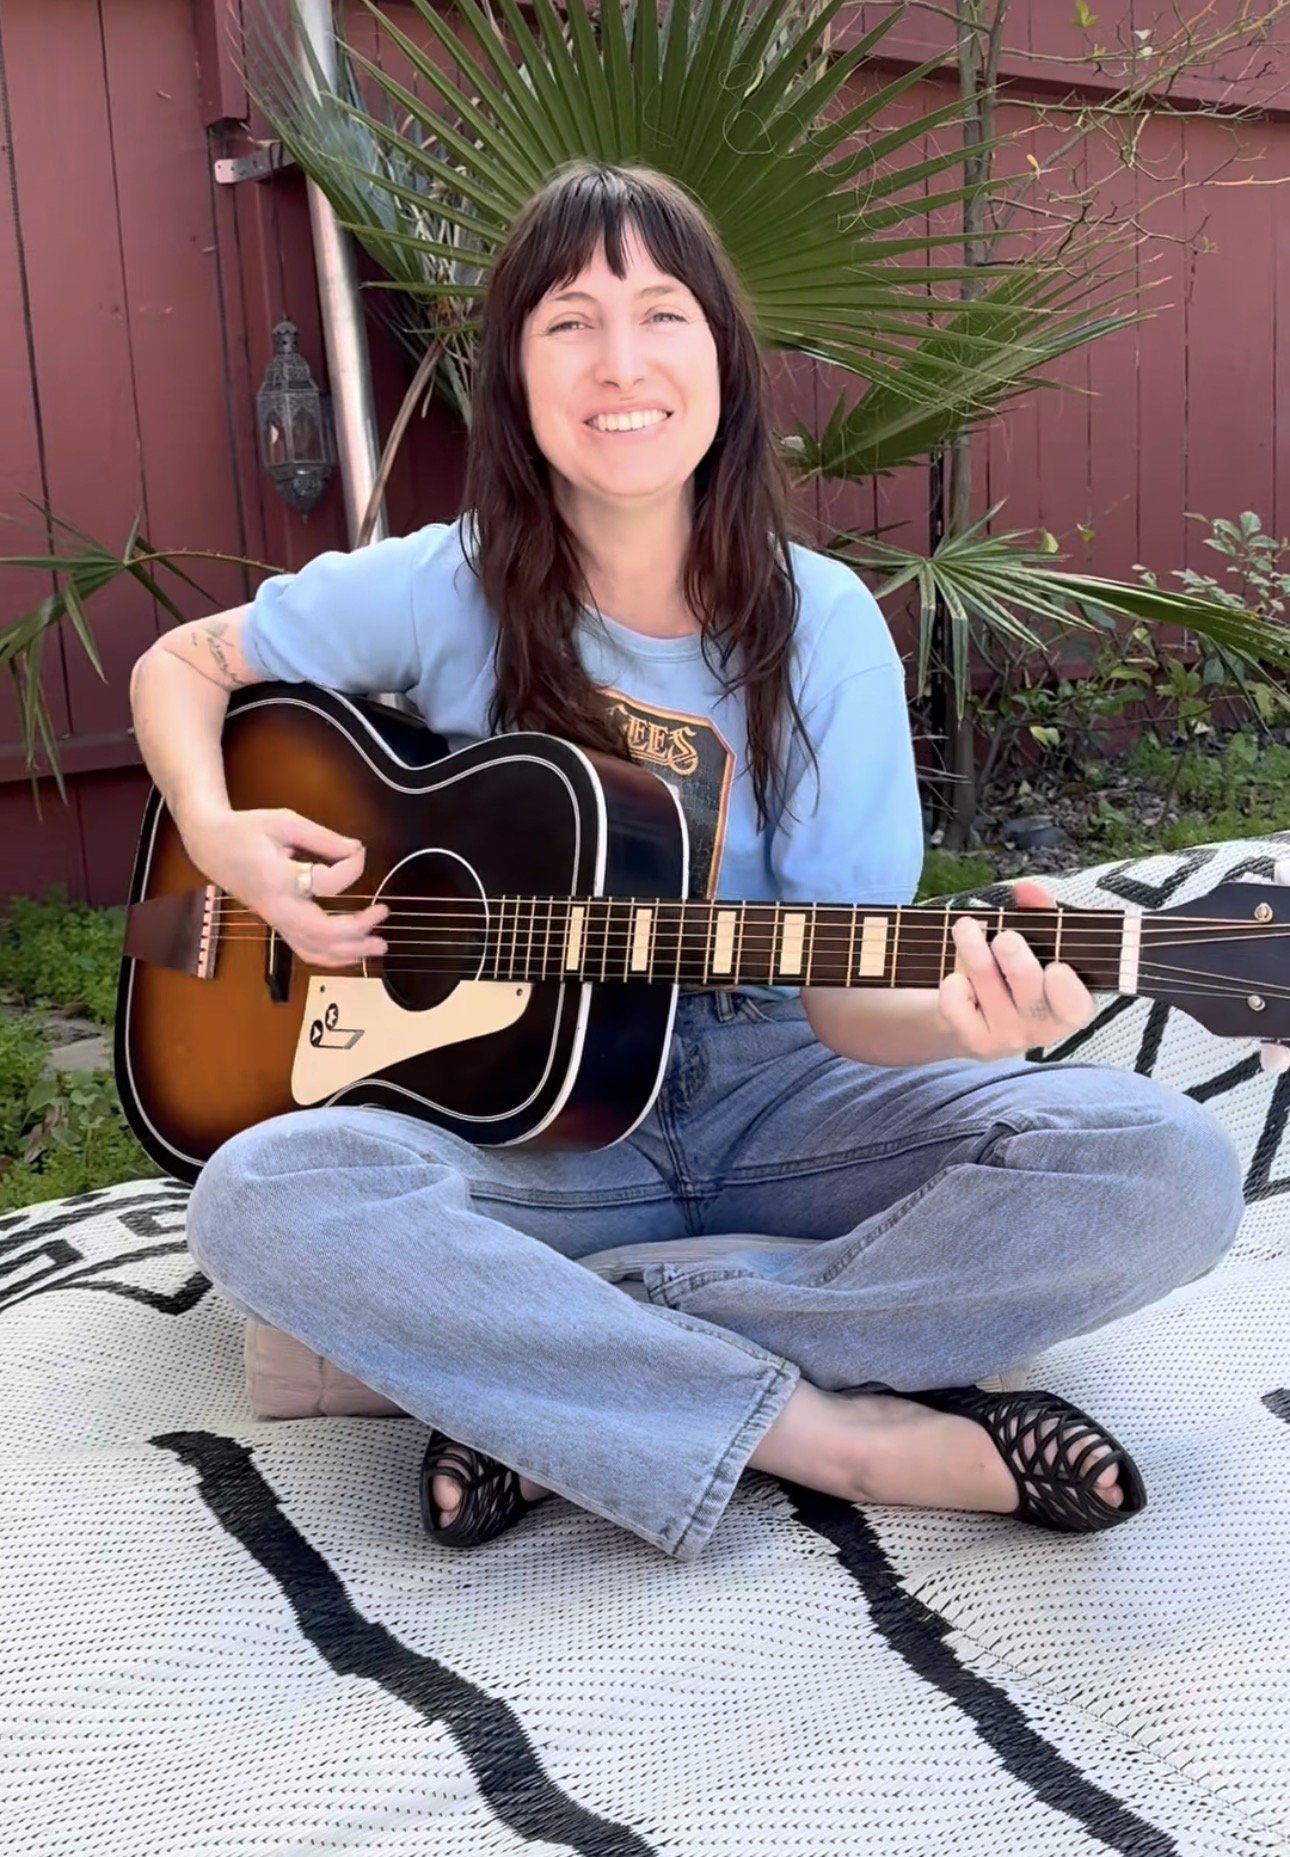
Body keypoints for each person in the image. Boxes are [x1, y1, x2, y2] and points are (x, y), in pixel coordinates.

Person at [128, 162, 1244, 1563]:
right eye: (567, 324)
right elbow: (184, 663)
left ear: (720, 354)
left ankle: (548, 1361)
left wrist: (962, 1012)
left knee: (1160, 1169)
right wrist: (219, 829)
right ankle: (827, 1431)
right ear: (516, 380)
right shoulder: (442, 584)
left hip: (772, 1086)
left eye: (661, 313)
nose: (620, 363)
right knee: (262, 1196)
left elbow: (849, 998)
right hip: (516, 1118)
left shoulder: (819, 622)